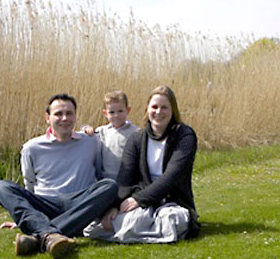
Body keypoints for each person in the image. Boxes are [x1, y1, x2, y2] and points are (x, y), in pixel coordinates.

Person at [0, 93, 118, 259]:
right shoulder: (32, 148)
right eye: (58, 114)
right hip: (45, 203)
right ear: (47, 117)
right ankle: (49, 233)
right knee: (2, 187)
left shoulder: (91, 141)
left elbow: (100, 170)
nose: (64, 118)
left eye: (69, 113)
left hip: (79, 202)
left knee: (109, 185)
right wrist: (27, 215)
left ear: (76, 116)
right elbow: (29, 183)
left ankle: (40, 235)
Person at [84, 85, 200, 243]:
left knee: (171, 219)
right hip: (144, 202)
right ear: (147, 109)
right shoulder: (137, 138)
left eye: (164, 107)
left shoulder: (185, 136)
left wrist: (139, 199)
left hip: (172, 201)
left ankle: (131, 233)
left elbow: (172, 176)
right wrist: (115, 207)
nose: (158, 112)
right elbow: (125, 178)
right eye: (154, 107)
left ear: (173, 110)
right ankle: (148, 232)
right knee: (105, 224)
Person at [86, 90, 139, 180]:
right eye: (112, 112)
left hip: (127, 179)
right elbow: (86, 132)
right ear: (105, 113)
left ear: (128, 110)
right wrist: (86, 128)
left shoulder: (135, 132)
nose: (116, 115)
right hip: (106, 179)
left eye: (120, 111)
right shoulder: (103, 131)